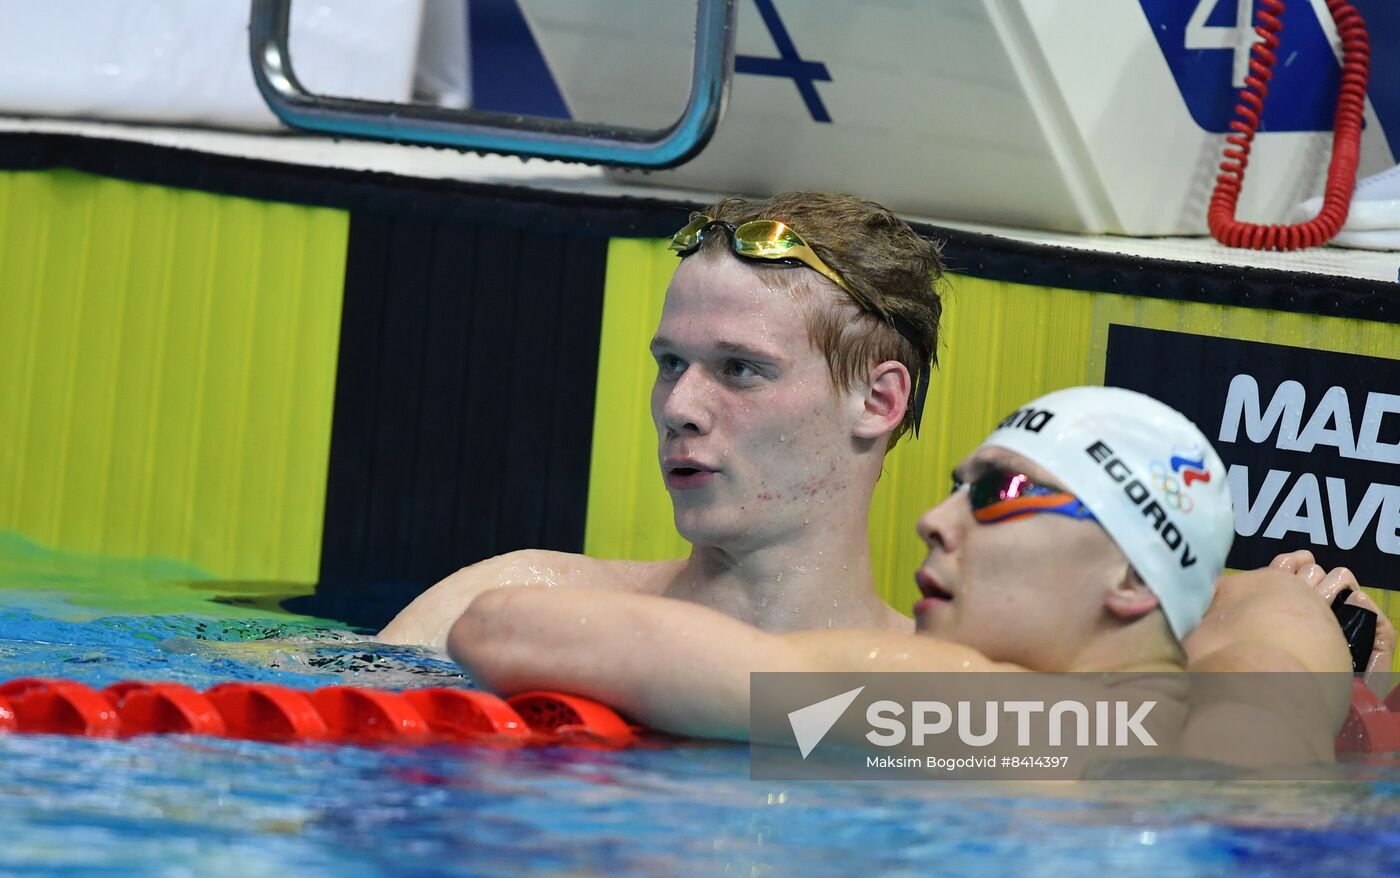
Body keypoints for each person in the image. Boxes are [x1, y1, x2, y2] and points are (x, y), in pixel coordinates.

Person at [450, 387, 1351, 764]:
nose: (934, 518)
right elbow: (1268, 594)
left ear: (1127, 577)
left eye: (996, 493)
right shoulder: (1275, 703)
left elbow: (500, 630)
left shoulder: (969, 711)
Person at [379, 192, 943, 647]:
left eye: (740, 369)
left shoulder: (938, 706)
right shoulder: (512, 606)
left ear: (877, 401)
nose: (679, 408)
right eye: (671, 363)